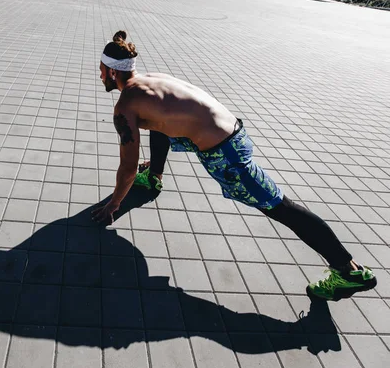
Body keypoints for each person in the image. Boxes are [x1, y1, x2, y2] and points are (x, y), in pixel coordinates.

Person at [91, 30, 377, 301]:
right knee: (158, 126)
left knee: (281, 207)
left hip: (227, 155)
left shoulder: (125, 106)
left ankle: (349, 271)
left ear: (112, 71)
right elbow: (161, 121)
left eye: (101, 70)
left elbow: (127, 167)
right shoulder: (150, 80)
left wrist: (114, 203)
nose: (100, 74)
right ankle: (154, 176)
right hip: (229, 132)